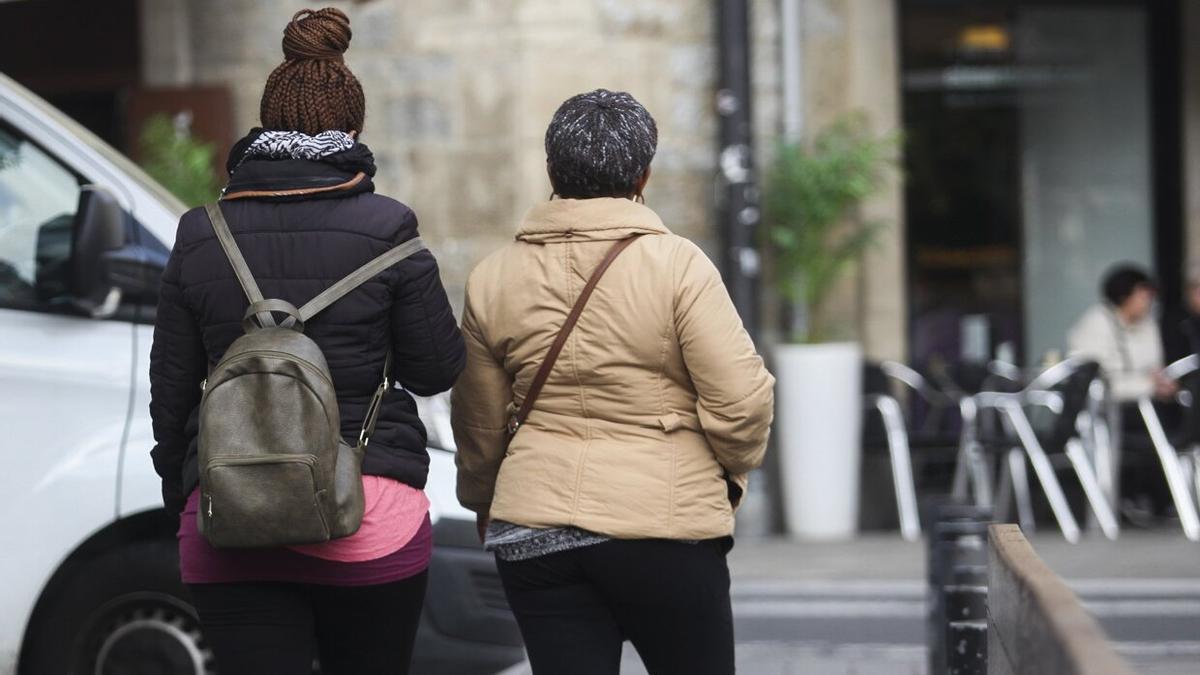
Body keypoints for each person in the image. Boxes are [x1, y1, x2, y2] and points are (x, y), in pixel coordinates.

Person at [148, 9, 464, 674]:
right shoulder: (388, 228)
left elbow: (171, 387)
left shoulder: (201, 234)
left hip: (231, 514)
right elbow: (437, 367)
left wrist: (185, 488)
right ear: (354, 130)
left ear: (263, 128)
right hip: (368, 514)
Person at [450, 89, 775, 675]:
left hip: (535, 524)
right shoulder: (679, 266)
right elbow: (742, 400)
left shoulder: (492, 277)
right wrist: (728, 473)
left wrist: (483, 498)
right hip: (663, 523)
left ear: (551, 170)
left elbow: (477, 420)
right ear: (643, 174)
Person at [1067, 264, 1174, 402]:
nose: (1148, 302)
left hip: (1144, 403)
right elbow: (1099, 380)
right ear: (1125, 297)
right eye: (1143, 296)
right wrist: (1149, 385)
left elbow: (1154, 366)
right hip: (1104, 409)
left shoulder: (1147, 323)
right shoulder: (1098, 322)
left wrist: (1160, 381)